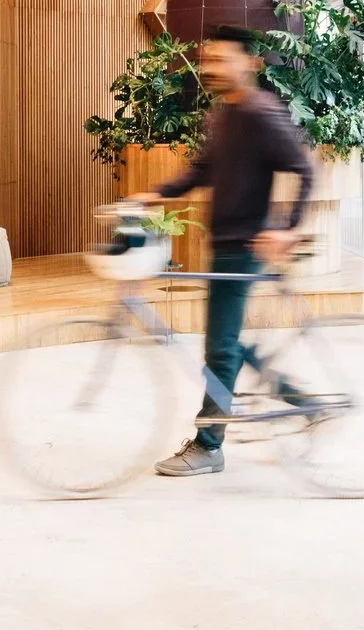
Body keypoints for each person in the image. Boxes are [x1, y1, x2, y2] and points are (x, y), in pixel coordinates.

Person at [131, 25, 314, 477]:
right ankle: (301, 400)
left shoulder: (260, 112)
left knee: (219, 350)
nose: (210, 67)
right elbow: (200, 171)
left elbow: (304, 169)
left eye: (220, 59)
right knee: (227, 345)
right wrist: (152, 196)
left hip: (245, 246)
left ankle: (209, 445)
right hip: (224, 245)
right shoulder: (224, 115)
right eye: (207, 58)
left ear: (249, 64)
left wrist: (287, 229)